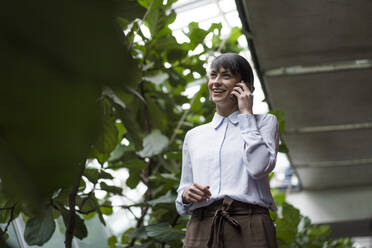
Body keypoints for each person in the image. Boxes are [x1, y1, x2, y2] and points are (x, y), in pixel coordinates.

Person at [175, 53, 279, 248]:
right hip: (200, 225)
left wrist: (246, 115)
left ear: (245, 86)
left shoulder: (264, 123)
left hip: (250, 224)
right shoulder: (194, 135)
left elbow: (258, 167)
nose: (216, 82)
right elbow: (183, 191)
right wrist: (186, 195)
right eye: (213, 75)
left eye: (226, 75)